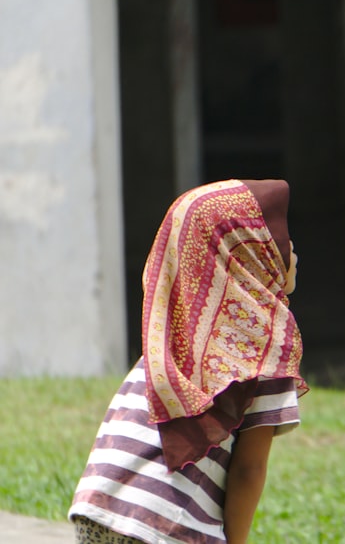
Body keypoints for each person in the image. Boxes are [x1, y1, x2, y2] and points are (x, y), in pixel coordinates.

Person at [68, 179, 309, 544]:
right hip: (167, 525)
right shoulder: (262, 352)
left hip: (97, 509)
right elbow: (249, 469)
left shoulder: (169, 342)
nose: (294, 252)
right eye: (282, 239)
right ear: (249, 257)